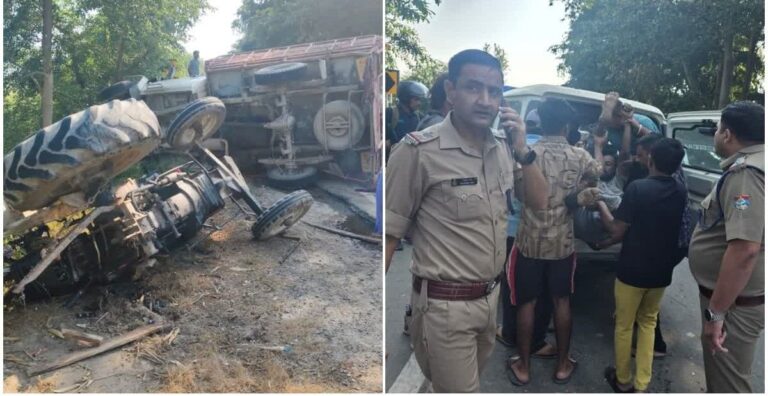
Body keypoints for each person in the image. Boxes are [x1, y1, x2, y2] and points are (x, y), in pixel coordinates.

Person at [385, 49, 548, 393]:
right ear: (450, 91)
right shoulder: (418, 151)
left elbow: (539, 202)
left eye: (494, 91)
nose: (485, 100)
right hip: (445, 309)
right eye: (473, 88)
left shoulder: (504, 148)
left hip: (490, 302)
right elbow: (388, 235)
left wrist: (523, 148)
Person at [507, 98, 601, 386]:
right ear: (567, 125)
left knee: (526, 303)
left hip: (529, 243)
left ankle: (523, 366)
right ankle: (562, 364)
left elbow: (520, 197)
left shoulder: (525, 154)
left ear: (540, 122)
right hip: (562, 245)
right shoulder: (580, 156)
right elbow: (597, 173)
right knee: (562, 302)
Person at [592, 138, 687, 393]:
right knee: (648, 323)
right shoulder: (681, 190)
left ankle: (623, 380)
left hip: (632, 271)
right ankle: (642, 383)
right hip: (661, 273)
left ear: (651, 159)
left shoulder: (638, 188)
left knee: (624, 326)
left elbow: (616, 229)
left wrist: (599, 201)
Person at [688, 101, 764, 393]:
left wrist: (716, 315)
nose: (716, 134)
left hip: (733, 306)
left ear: (728, 134)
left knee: (728, 385)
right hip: (738, 298)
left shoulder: (746, 174)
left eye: (718, 129)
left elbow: (745, 249)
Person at [497, 113, 557, 359]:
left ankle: (511, 334)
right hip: (545, 232)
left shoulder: (507, 148)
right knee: (540, 291)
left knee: (513, 286)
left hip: (513, 229)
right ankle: (537, 339)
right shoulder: (543, 151)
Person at [386, 80, 428, 145]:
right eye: (416, 99)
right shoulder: (390, 113)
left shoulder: (419, 117)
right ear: (406, 98)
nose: (419, 103)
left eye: (420, 100)